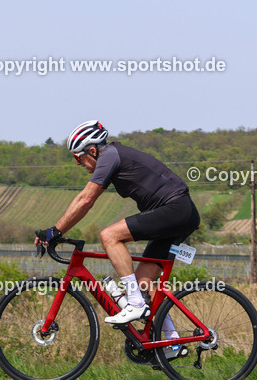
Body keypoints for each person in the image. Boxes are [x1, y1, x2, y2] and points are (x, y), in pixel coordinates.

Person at [37, 120, 200, 326]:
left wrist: (55, 231)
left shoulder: (109, 156)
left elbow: (86, 200)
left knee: (110, 235)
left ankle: (135, 304)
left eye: (78, 157)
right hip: (181, 212)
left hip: (175, 209)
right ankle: (171, 341)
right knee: (142, 283)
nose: (78, 163)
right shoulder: (113, 156)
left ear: (93, 150)